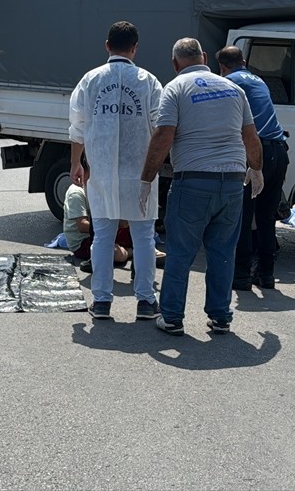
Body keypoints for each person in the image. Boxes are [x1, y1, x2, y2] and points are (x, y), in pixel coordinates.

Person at [139, 37, 263, 336]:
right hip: (232, 184)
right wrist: (256, 169)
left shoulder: (176, 88)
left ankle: (171, 317)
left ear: (175, 63)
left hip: (193, 182)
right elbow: (250, 136)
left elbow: (163, 136)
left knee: (181, 253)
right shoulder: (234, 89)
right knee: (222, 253)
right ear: (204, 57)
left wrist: (146, 178)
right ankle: (220, 317)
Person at [68, 20, 163, 321]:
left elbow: (77, 126)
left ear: (107, 46)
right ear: (135, 48)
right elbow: (161, 127)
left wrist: (76, 162)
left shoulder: (90, 80)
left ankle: (103, 300)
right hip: (141, 172)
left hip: (103, 172)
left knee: (104, 237)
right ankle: (146, 301)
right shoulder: (148, 81)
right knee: (144, 237)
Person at [216, 46, 290, 290]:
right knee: (267, 218)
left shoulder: (229, 82)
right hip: (279, 151)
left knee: (243, 217)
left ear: (222, 67)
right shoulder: (258, 80)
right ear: (244, 61)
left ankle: (241, 275)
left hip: (256, 152)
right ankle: (266, 274)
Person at [63, 182, 165, 274]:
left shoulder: (100, 186)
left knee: (136, 221)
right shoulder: (76, 193)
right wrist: (117, 225)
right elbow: (82, 226)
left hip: (102, 232)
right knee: (114, 253)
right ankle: (134, 251)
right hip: (82, 241)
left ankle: (145, 249)